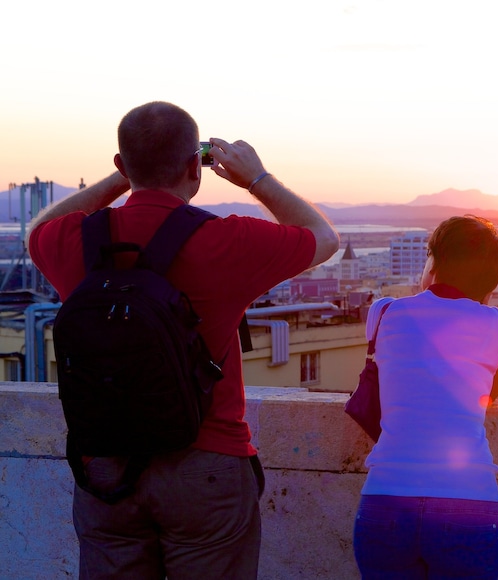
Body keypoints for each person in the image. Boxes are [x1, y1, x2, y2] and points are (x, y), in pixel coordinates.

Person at [28, 101, 339, 579]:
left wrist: (125, 178)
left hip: (106, 467)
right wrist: (256, 178)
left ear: (121, 164)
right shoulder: (227, 240)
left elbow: (37, 231)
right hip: (207, 461)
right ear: (196, 166)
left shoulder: (73, 240)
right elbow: (322, 236)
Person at [353, 215, 498, 579]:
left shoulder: (385, 312)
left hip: (386, 500)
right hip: (470, 502)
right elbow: (493, 393)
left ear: (433, 260)